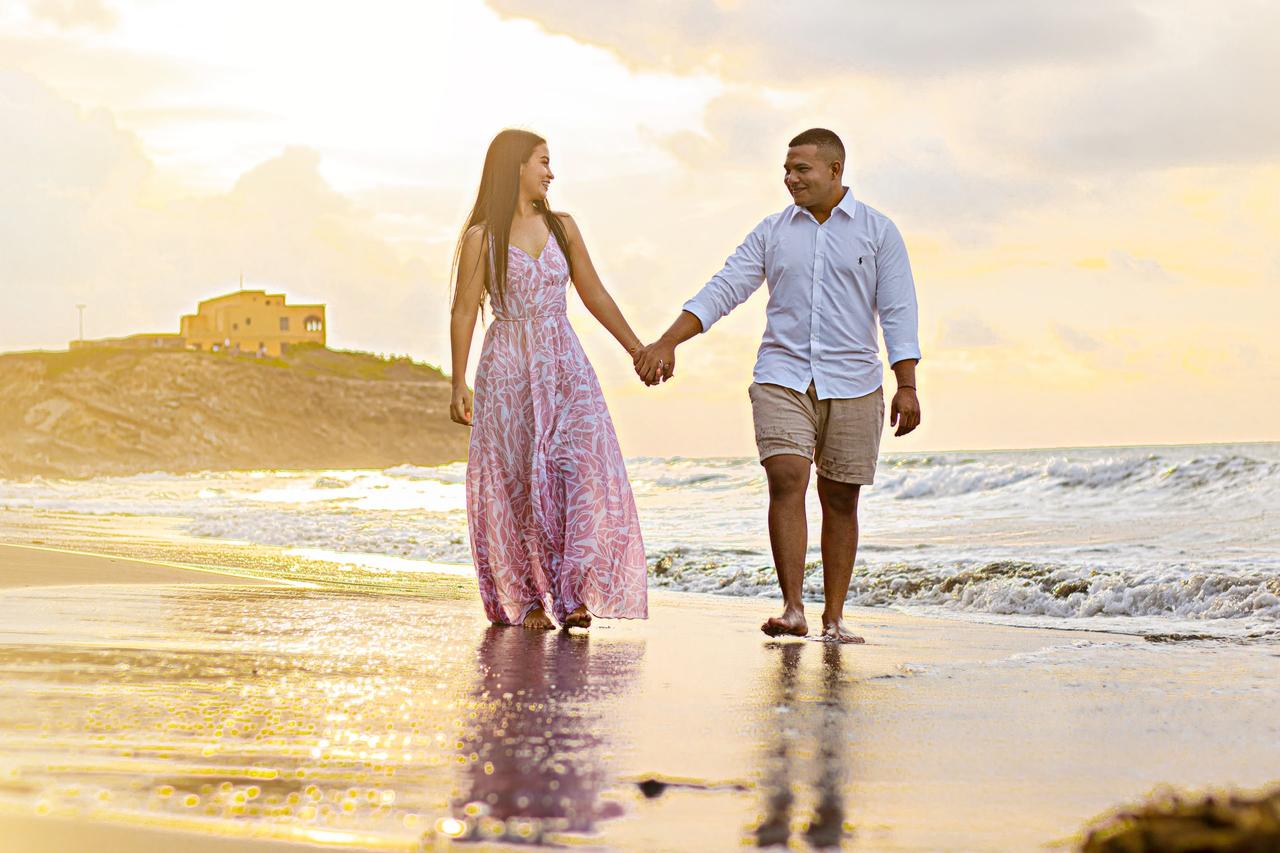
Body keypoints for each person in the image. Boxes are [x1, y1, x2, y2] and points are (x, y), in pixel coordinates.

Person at [634, 128, 922, 644]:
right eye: (786, 170)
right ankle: (793, 609)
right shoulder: (771, 231)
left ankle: (834, 618)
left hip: (855, 380)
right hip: (781, 374)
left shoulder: (878, 231)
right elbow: (726, 287)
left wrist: (907, 384)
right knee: (787, 477)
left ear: (835, 170)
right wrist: (667, 341)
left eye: (801, 170)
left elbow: (899, 309)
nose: (790, 179)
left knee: (840, 498)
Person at [449, 129, 649, 631]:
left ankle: (574, 593)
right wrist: (458, 384)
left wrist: (636, 348)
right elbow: (464, 312)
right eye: (542, 161)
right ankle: (531, 599)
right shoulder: (482, 239)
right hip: (509, 368)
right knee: (517, 483)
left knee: (576, 472)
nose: (550, 172)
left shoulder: (562, 227)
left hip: (564, 363)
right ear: (516, 165)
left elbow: (594, 293)